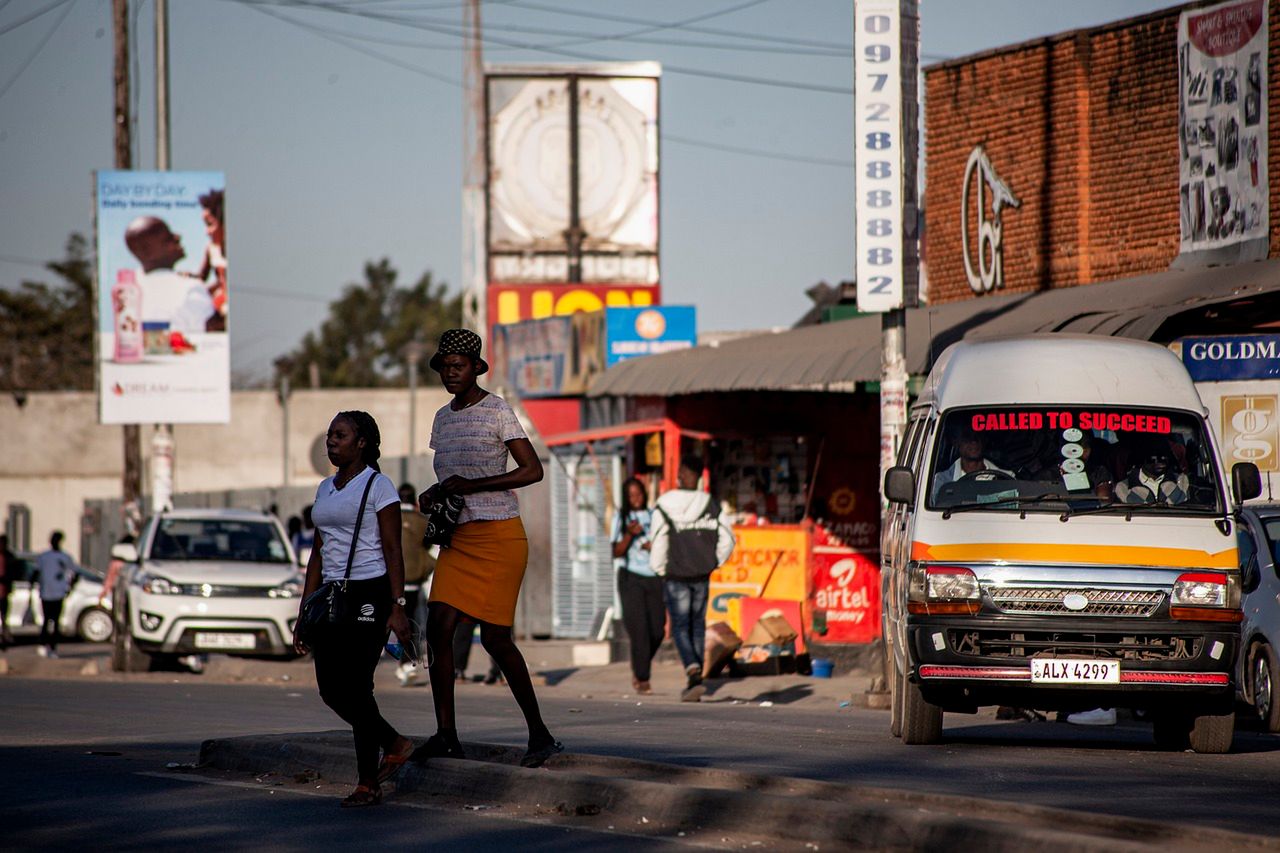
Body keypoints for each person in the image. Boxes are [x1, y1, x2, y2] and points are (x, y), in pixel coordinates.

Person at [415, 328, 560, 769]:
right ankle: (446, 735)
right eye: (445, 367)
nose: (450, 373)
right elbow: (452, 475)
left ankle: (540, 734)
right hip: (459, 538)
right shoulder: (442, 418)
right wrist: (434, 493)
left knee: (495, 639)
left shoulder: (498, 411)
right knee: (438, 631)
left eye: (458, 366)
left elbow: (532, 470)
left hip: (499, 535)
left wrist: (474, 485)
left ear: (477, 368)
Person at [293, 411, 415, 808]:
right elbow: (318, 551)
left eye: (340, 435)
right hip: (331, 596)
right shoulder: (326, 488)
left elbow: (394, 549)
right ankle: (394, 742)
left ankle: (368, 782)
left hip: (370, 593)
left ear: (361, 442)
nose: (331, 441)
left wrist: (397, 606)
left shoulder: (379, 486)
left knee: (359, 688)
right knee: (331, 690)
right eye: (329, 434)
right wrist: (303, 611)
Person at [649, 460, 736, 702]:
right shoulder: (710, 504)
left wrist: (658, 568)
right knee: (697, 624)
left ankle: (692, 667)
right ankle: (695, 675)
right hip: (701, 574)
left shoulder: (664, 504)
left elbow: (659, 539)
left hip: (675, 575)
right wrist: (713, 561)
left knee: (679, 626)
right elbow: (728, 538)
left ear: (681, 476)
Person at [123, 215, 215, 352]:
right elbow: (213, 338)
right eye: (168, 238)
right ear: (147, 251)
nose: (178, 237)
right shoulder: (189, 288)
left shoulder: (127, 290)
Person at [612, 476, 663, 695]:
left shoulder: (655, 516)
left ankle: (640, 665)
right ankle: (642, 678)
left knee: (657, 630)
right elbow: (616, 551)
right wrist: (629, 536)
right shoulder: (620, 517)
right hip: (630, 577)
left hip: (654, 576)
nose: (635, 499)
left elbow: (664, 542)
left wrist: (654, 546)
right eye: (631, 496)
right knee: (639, 630)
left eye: (639, 494)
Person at [395, 482, 435, 687]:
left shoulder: (388, 518)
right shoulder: (421, 521)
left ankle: (403, 662)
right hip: (413, 583)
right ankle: (407, 663)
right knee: (410, 622)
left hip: (390, 583)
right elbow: (429, 544)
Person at [931, 425, 1014, 503]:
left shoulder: (1007, 478)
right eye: (967, 436)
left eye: (978, 436)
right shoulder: (942, 481)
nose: (973, 441)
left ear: (984, 440)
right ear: (956, 442)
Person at [34, 531, 78, 658]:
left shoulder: (65, 557)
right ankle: (43, 644)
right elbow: (37, 572)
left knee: (56, 622)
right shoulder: (43, 557)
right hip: (46, 592)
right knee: (46, 620)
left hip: (59, 593)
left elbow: (74, 573)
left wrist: (69, 587)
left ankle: (53, 647)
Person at [191, 188, 227, 330]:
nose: (207, 231)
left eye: (210, 224)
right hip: (219, 302)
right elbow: (201, 277)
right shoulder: (212, 249)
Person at [1115, 439, 1190, 505]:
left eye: (1164, 454)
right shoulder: (1123, 488)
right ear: (1142, 458)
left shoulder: (1183, 482)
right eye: (1153, 455)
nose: (1159, 460)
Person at [0, 534, 16, 649]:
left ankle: (4, 637)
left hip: (5, 592)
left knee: (5, 616)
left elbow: (14, 573)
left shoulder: (9, 556)